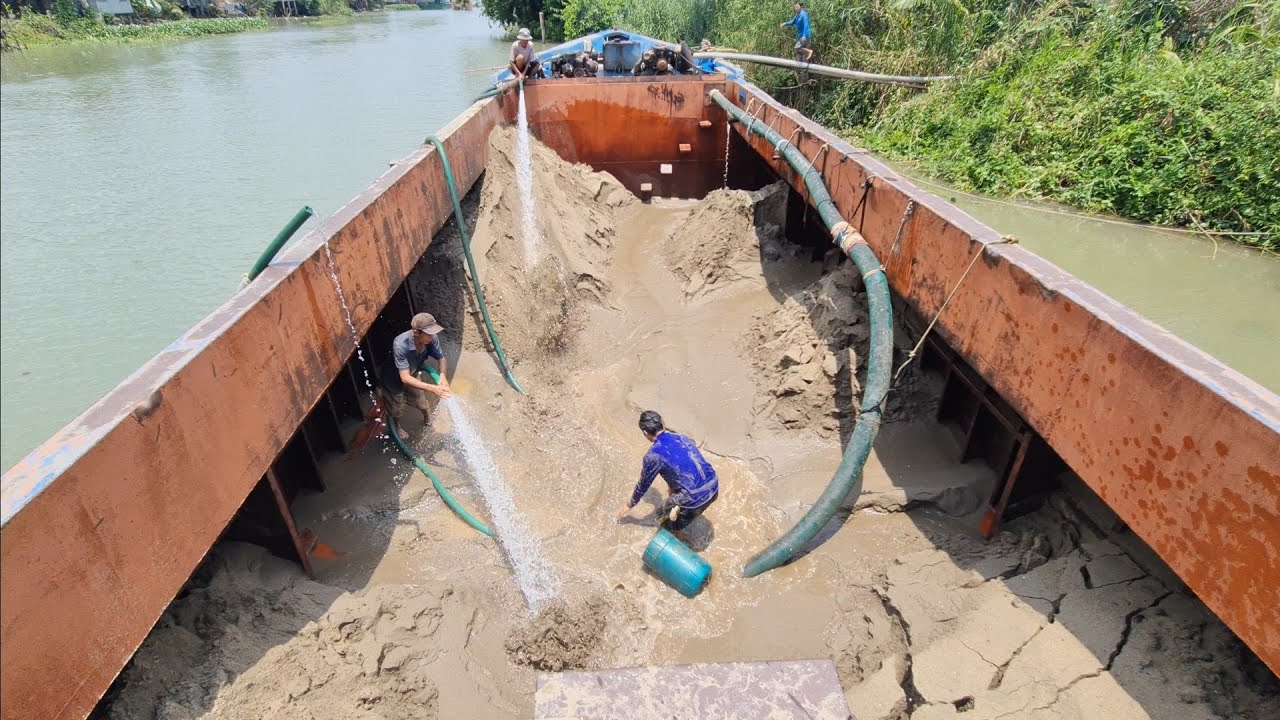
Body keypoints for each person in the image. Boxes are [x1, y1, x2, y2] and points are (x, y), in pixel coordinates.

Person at [347, 313, 452, 454]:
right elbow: (405, 378)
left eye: (433, 333)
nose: (432, 337)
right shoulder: (400, 344)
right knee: (397, 408)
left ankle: (427, 418)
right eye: (428, 334)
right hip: (393, 380)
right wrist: (433, 388)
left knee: (422, 402)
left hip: (412, 373)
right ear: (416, 332)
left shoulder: (431, 338)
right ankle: (397, 427)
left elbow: (441, 359)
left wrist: (442, 376)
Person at [616, 411, 719, 533]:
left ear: (645, 432)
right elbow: (682, 468)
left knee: (666, 525)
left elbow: (643, 485)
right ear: (662, 424)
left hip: (694, 498)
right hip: (714, 486)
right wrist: (673, 491)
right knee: (671, 509)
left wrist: (630, 504)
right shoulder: (681, 438)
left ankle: (677, 537)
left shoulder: (653, 456)